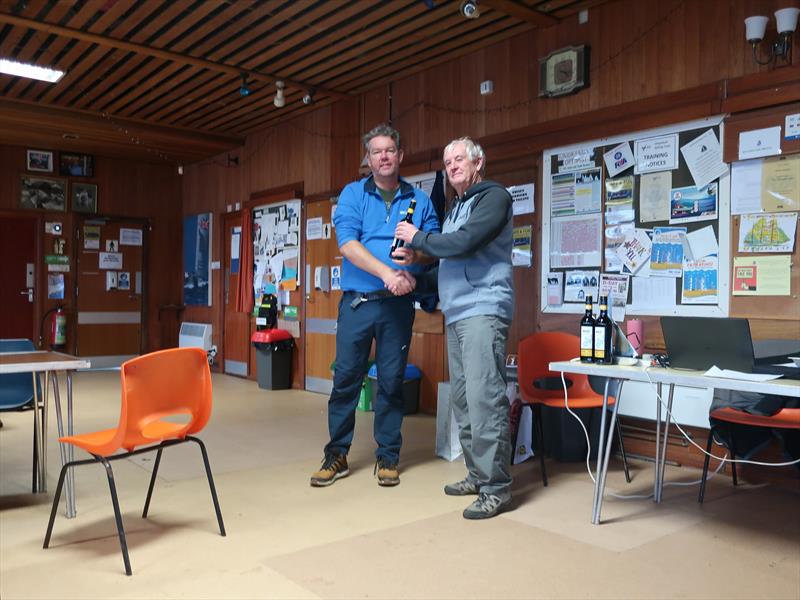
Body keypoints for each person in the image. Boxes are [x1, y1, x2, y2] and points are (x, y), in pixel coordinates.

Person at [310, 123, 440, 488]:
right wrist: (388, 273)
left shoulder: (421, 199)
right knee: (347, 379)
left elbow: (432, 250)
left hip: (398, 305)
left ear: (400, 156)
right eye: (376, 151)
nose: (383, 156)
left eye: (389, 150)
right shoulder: (352, 195)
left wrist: (414, 260)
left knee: (392, 382)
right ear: (367, 159)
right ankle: (336, 454)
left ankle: (388, 456)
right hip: (358, 305)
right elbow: (348, 245)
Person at [393, 137, 514, 519]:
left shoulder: (494, 198)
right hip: (457, 314)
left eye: (458, 159)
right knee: (463, 400)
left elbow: (464, 243)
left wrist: (419, 238)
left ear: (478, 161)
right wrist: (414, 273)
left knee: (484, 399)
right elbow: (447, 266)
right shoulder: (456, 208)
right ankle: (477, 475)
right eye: (447, 162)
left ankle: (496, 487)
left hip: (484, 310)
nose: (452, 166)